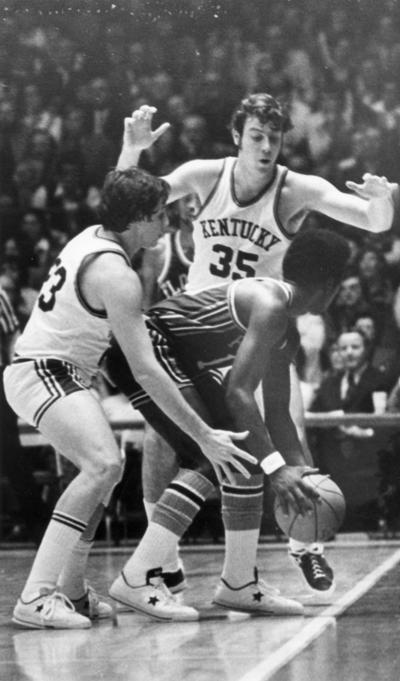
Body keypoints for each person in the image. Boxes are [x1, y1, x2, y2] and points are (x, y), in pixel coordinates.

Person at [115, 94, 394, 597]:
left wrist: (379, 200)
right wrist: (132, 151)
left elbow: (373, 222)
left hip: (262, 326)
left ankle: (305, 544)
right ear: (237, 137)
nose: (267, 147)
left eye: (275, 138)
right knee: (168, 439)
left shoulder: (297, 188)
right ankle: (164, 560)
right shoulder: (204, 175)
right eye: (257, 137)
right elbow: (129, 198)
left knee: (288, 431)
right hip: (202, 325)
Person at [3, 166, 253, 630]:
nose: (169, 224)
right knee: (104, 465)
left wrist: (133, 151)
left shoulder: (94, 236)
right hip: (44, 371)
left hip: (54, 372)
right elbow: (145, 369)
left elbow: (117, 187)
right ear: (137, 219)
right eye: (160, 215)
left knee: (101, 473)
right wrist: (204, 434)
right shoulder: (118, 276)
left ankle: (73, 593)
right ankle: (35, 596)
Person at [105, 227, 350, 618]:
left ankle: (238, 583)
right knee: (211, 455)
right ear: (330, 286)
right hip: (143, 347)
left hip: (173, 356)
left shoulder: (284, 327)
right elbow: (238, 393)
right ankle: (137, 577)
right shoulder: (269, 306)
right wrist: (277, 470)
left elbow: (278, 415)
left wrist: (300, 472)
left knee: (241, 453)